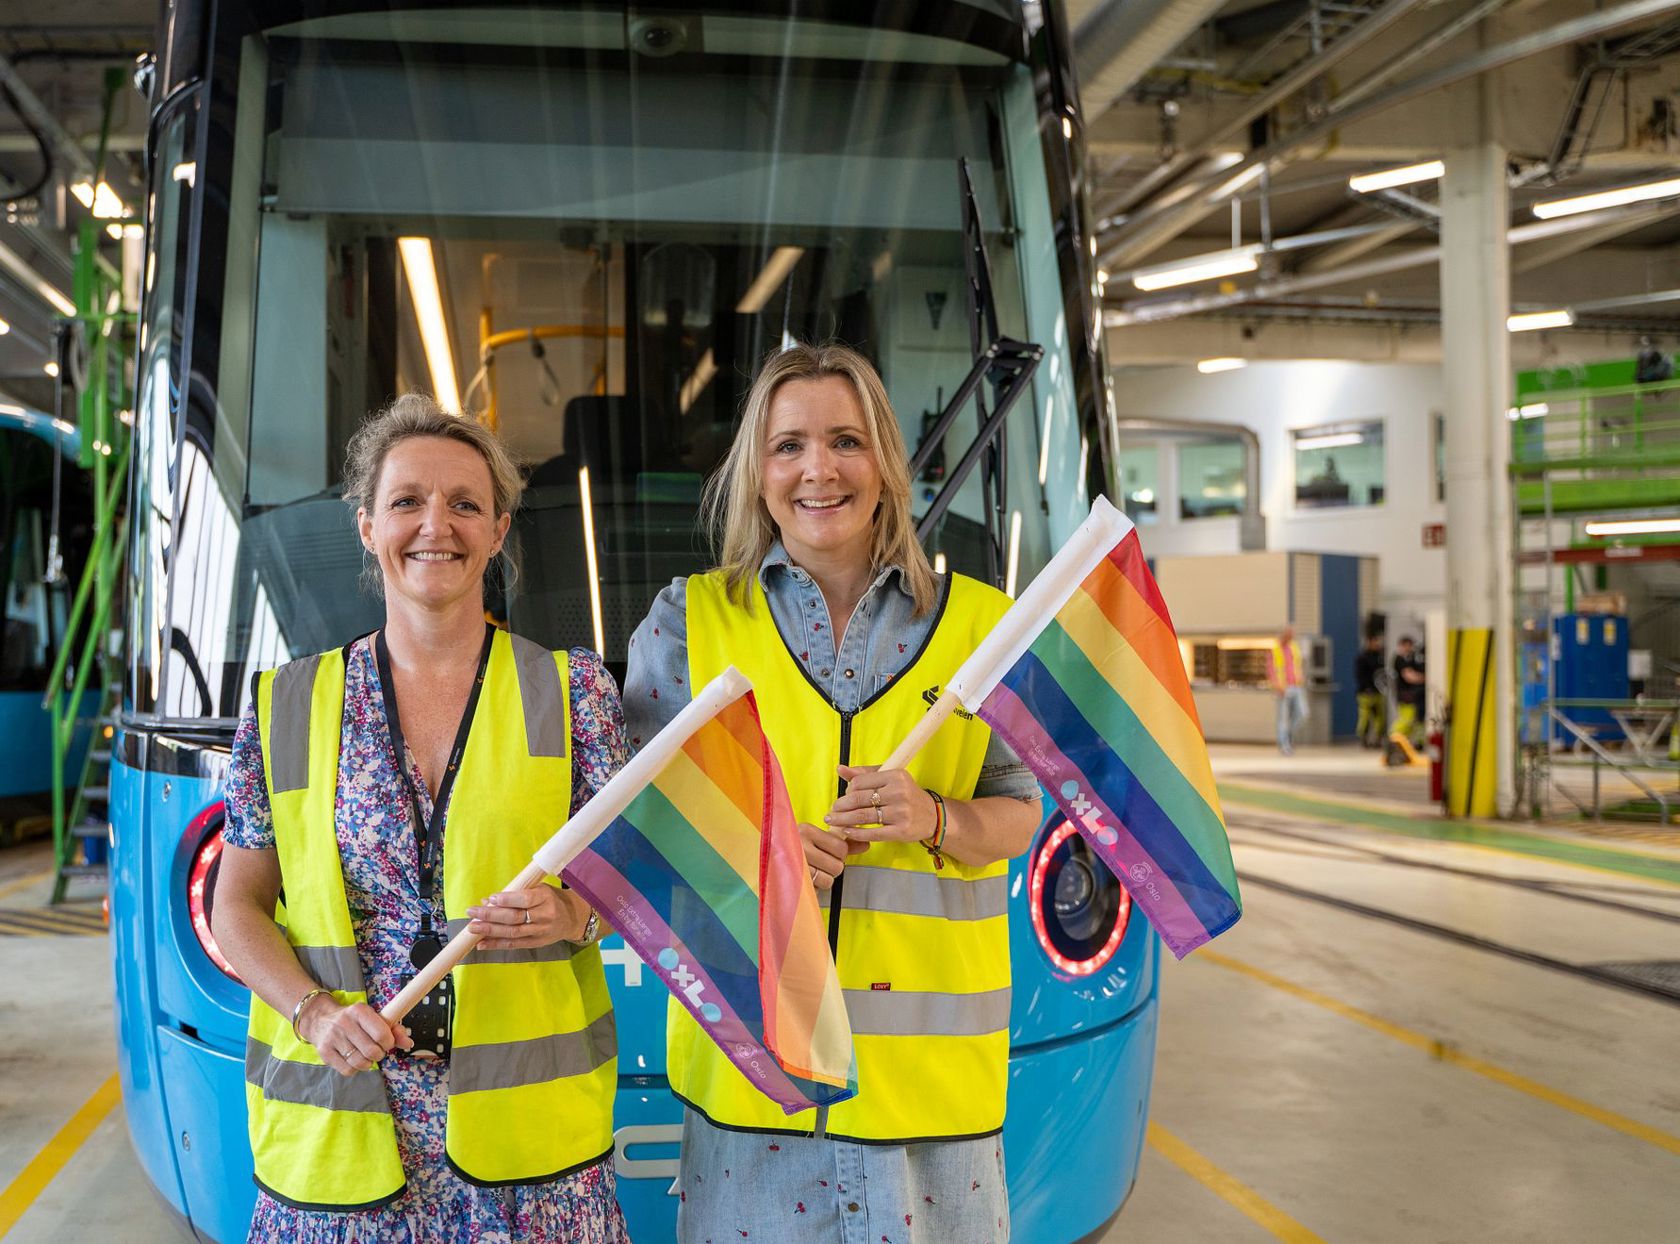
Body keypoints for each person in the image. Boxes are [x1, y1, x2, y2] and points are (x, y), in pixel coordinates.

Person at [625, 343, 1043, 1244]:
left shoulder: (982, 626)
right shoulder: (686, 625)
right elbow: (635, 833)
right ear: (757, 472)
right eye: (789, 447)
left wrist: (937, 819)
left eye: (846, 440)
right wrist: (756, 859)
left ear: (885, 461)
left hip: (932, 1107)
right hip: (755, 1089)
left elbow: (1021, 808)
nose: (819, 470)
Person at [215, 395, 629, 1243]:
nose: (434, 525)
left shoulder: (574, 692)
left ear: (499, 530)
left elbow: (622, 879)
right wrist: (314, 1013)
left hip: (528, 1159)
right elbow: (237, 905)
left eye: (464, 503)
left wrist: (572, 912)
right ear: (367, 525)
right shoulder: (284, 705)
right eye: (407, 501)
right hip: (344, 1139)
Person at [1269, 624, 1308, 754]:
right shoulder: (1274, 649)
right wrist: (1277, 685)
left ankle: (1289, 734)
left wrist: (1301, 676)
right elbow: (1271, 671)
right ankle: (1284, 743)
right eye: (1290, 635)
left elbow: (1298, 664)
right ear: (1284, 634)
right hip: (1283, 688)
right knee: (1283, 718)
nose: (1292, 637)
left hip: (1296, 686)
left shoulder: (1293, 647)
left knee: (1302, 713)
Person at [1392, 635, 1426, 745]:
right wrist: (1425, 678)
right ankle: (1394, 739)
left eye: (1410, 646)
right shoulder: (1399, 659)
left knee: (1416, 720)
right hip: (1405, 695)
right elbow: (1409, 676)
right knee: (1407, 719)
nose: (1408, 648)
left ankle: (1409, 743)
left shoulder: (1412, 659)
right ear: (1401, 646)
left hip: (1414, 694)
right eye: (1405, 646)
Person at [1354, 633, 1386, 749]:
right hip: (1365, 693)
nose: (1376, 644)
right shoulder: (1362, 657)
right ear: (1369, 642)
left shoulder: (1380, 657)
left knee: (1379, 717)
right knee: (1365, 717)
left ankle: (1377, 739)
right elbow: (1359, 675)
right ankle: (1363, 739)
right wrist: (1367, 688)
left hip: (1378, 692)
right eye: (1374, 641)